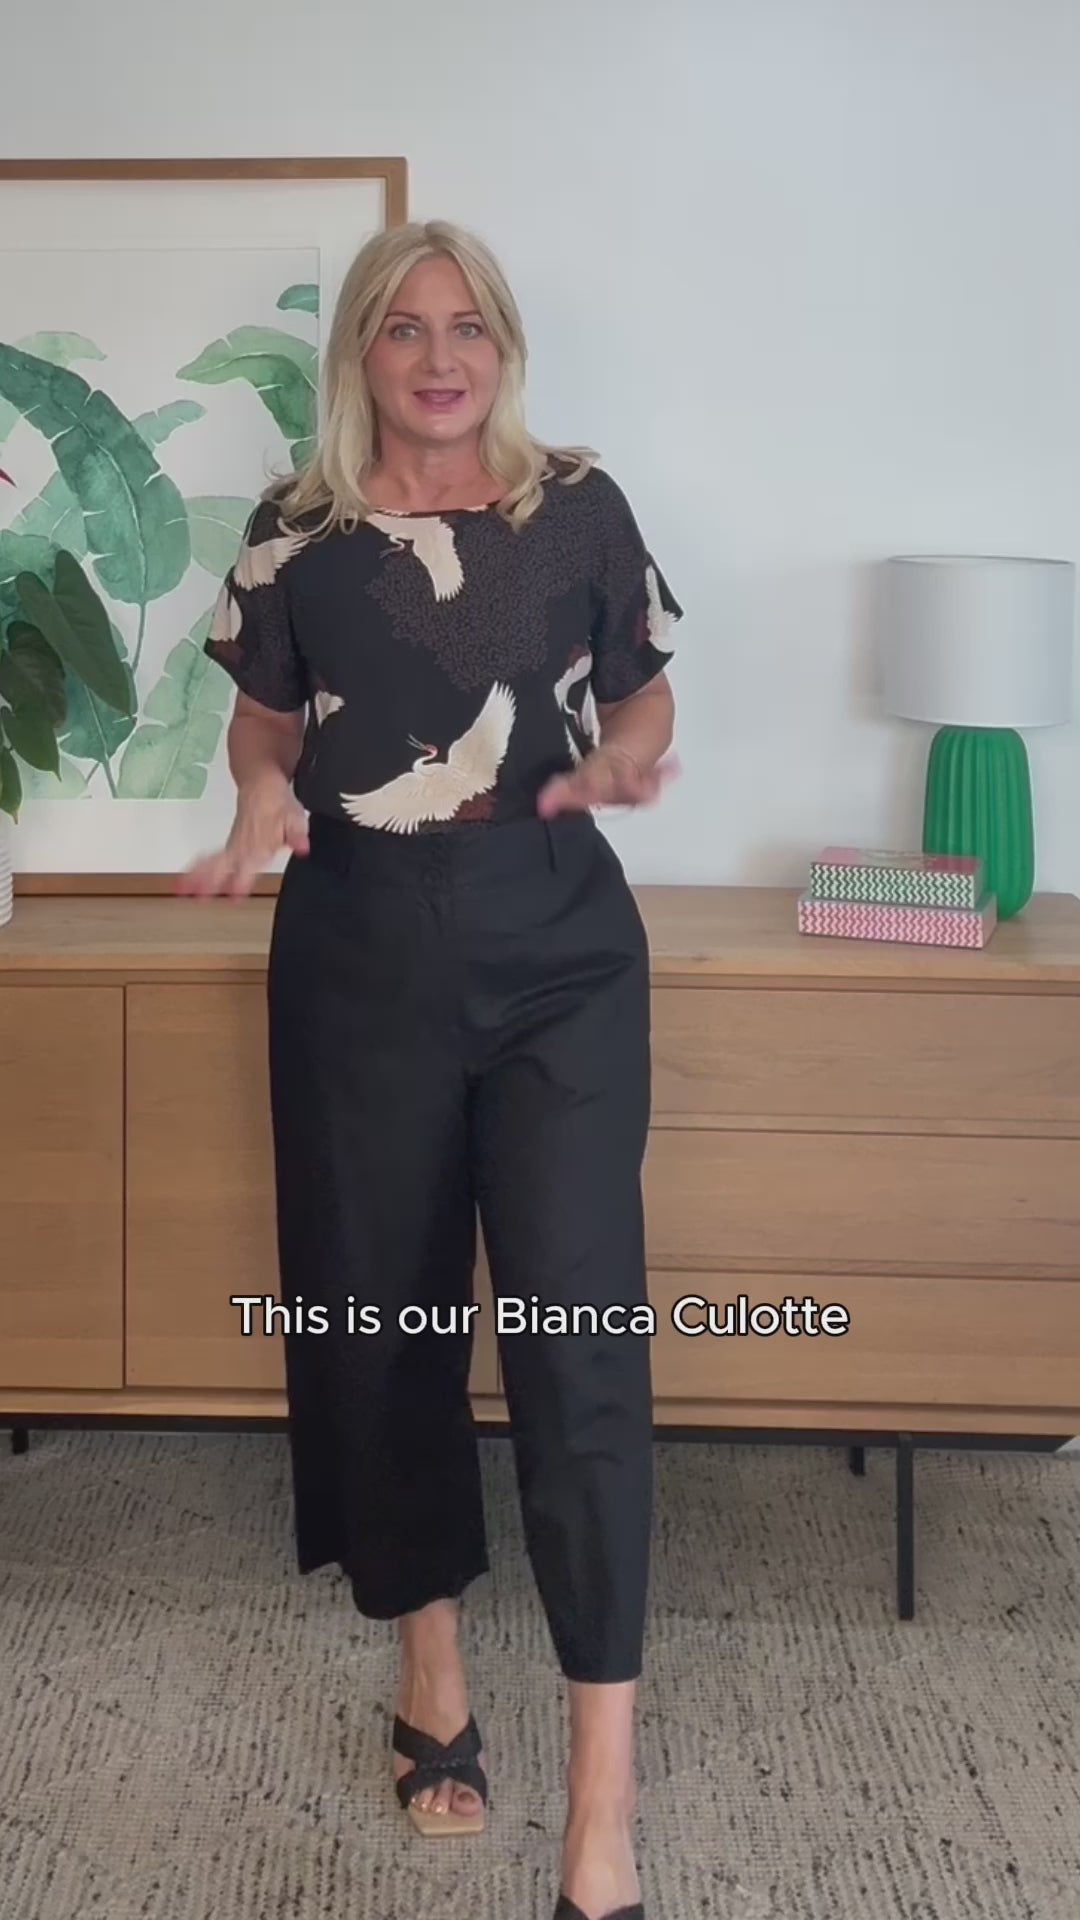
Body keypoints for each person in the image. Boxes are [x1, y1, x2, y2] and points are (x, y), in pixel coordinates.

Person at [180, 217, 681, 1920]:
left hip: (559, 958)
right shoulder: (297, 533)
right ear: (363, 358)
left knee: (579, 1344)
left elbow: (647, 695)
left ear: (505, 348)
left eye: (469, 327)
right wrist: (262, 791)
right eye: (406, 329)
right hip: (360, 960)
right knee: (381, 1322)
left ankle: (601, 1803)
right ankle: (434, 1674)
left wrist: (622, 760)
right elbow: (263, 722)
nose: (441, 356)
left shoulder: (580, 509)